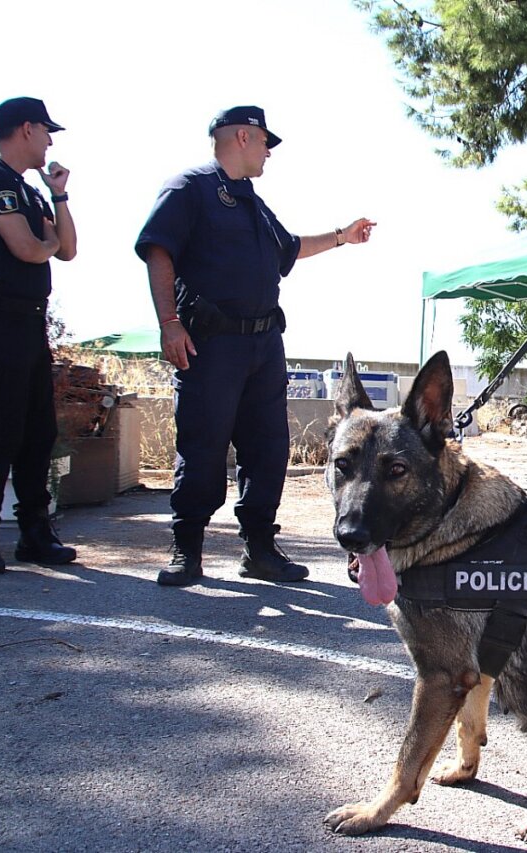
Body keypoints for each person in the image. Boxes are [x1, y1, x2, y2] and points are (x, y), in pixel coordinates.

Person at [136, 106, 375, 587]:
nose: (269, 151)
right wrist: (169, 322)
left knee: (268, 451)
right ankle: (188, 549)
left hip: (263, 346)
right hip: (211, 345)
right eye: (266, 141)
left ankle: (260, 550)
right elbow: (157, 248)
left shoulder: (253, 203)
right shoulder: (190, 189)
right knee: (202, 448)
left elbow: (288, 249)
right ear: (242, 137)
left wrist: (342, 238)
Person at [0, 97, 79, 574]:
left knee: (38, 432)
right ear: (25, 129)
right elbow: (30, 249)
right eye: (46, 131)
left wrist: (60, 196)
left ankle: (35, 534)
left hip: (28, 322)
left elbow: (64, 249)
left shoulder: (28, 191)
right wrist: (46, 243)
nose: (50, 141)